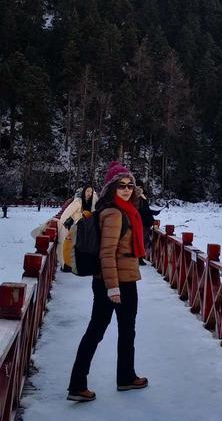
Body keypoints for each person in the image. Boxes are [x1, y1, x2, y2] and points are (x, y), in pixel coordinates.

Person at [67, 161, 147, 402]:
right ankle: (78, 384)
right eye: (120, 185)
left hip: (123, 278)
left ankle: (125, 377)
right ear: (111, 188)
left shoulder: (125, 210)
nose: (126, 189)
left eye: (129, 185)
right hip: (115, 282)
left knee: (124, 331)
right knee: (97, 331)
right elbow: (107, 253)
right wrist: (113, 287)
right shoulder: (114, 213)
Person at [57, 186, 98, 271]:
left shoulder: (92, 205)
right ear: (83, 192)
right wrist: (61, 226)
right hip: (76, 229)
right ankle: (67, 266)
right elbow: (65, 214)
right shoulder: (78, 202)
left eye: (91, 192)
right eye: (88, 191)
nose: (89, 194)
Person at [136, 188, 160, 265]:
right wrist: (153, 212)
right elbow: (143, 211)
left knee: (144, 241)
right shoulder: (140, 200)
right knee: (142, 241)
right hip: (143, 223)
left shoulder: (141, 200)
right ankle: (139, 259)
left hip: (144, 223)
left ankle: (140, 258)